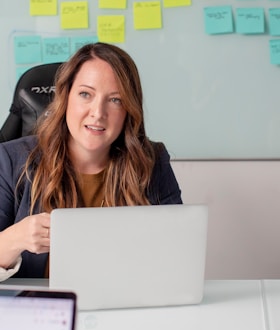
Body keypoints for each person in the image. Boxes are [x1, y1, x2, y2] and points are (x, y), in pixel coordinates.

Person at [0, 42, 182, 280]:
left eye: (115, 100)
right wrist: (15, 238)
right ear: (65, 98)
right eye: (85, 94)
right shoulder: (10, 160)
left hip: (125, 306)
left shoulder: (151, 161)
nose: (98, 112)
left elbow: (178, 253)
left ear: (129, 109)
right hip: (40, 309)